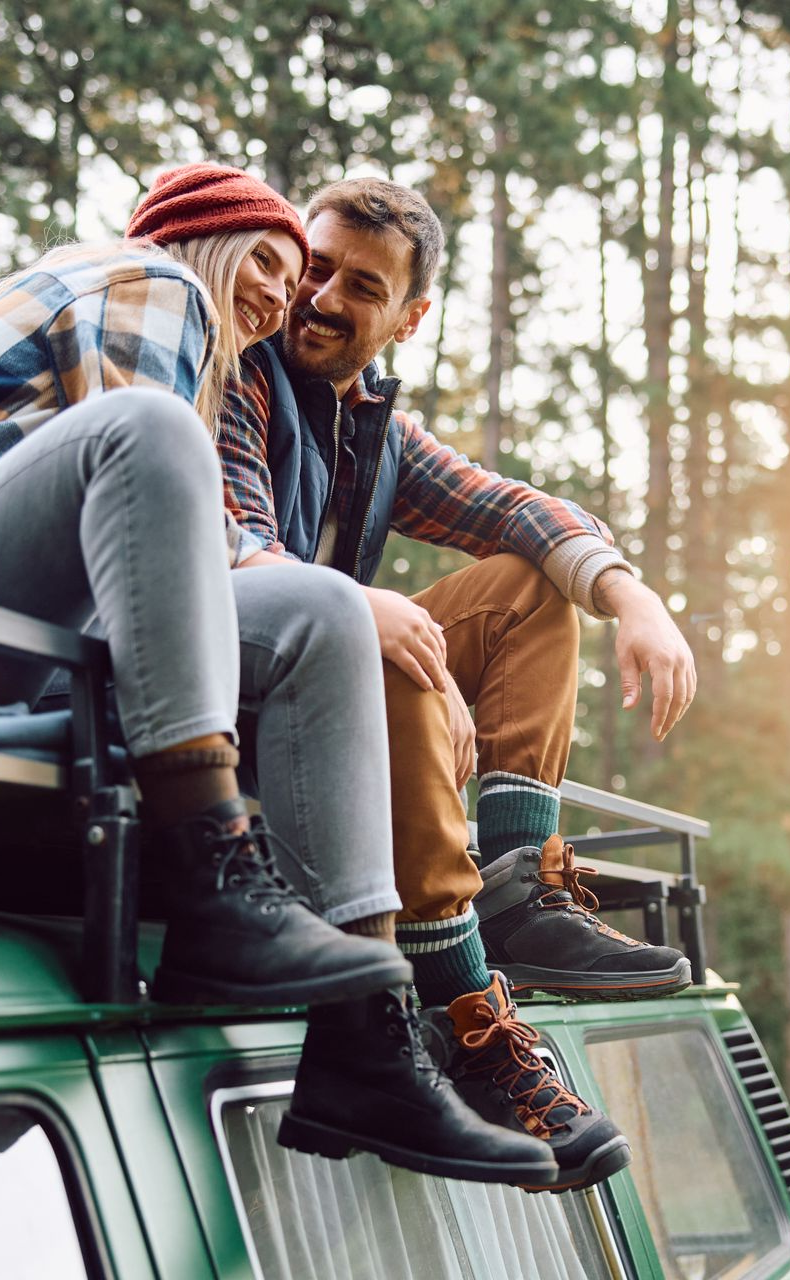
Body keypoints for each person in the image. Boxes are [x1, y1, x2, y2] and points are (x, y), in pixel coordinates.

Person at [0, 163, 555, 1188]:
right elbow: (150, 473)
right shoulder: (145, 279)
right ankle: (212, 863)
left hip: (6, 635)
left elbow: (179, 562)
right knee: (154, 433)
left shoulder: (217, 357)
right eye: (271, 263)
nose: (283, 296)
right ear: (203, 240)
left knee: (320, 610)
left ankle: (367, 1038)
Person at [218, 177, 699, 1190]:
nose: (320, 295)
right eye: (315, 264)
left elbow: (514, 508)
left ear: (408, 315)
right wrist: (386, 643)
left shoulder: (374, 432)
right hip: (237, 701)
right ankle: (469, 1011)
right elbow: (237, 548)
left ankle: (517, 888)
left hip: (326, 679)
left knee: (530, 590)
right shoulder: (241, 369)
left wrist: (635, 597)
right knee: (380, 646)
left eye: (362, 284)